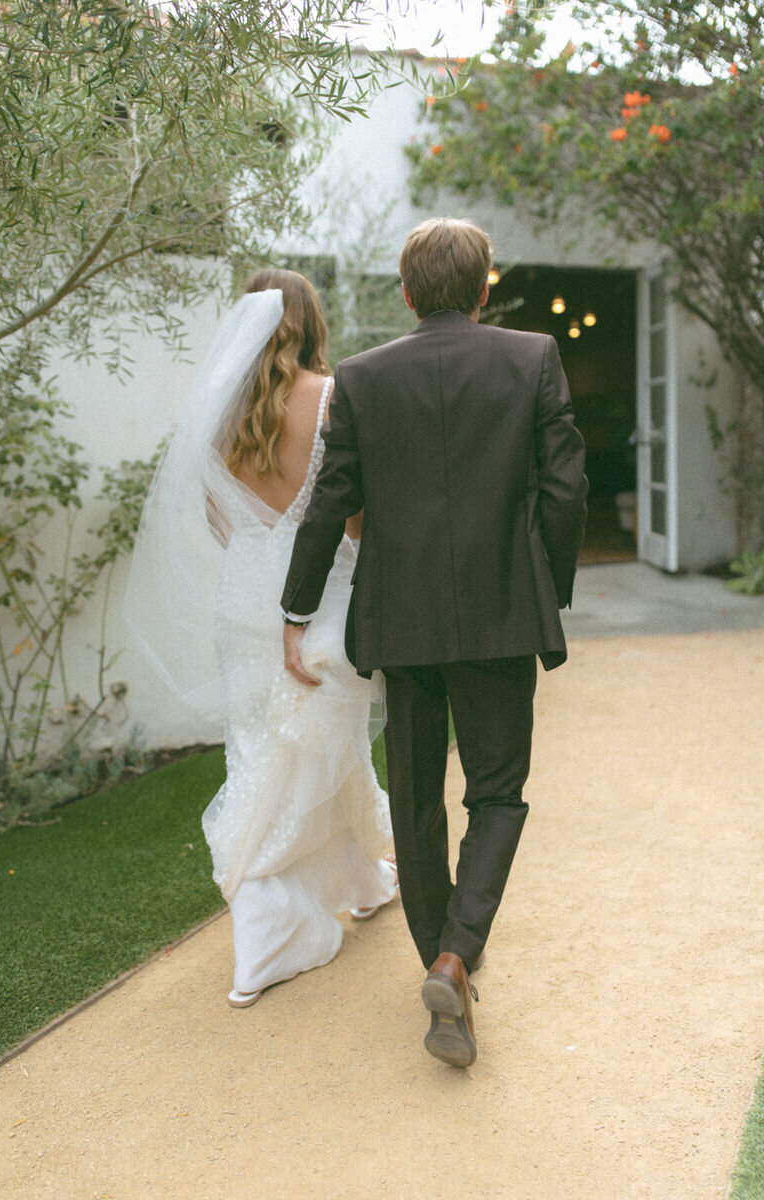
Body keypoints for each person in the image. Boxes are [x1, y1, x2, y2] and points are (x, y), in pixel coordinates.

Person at [281, 219, 588, 1066]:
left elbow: (328, 498)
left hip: (402, 621)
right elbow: (566, 490)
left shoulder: (363, 377)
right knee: (497, 791)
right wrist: (544, 588)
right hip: (499, 616)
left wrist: (296, 611)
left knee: (415, 795)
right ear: (485, 288)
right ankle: (457, 954)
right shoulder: (533, 360)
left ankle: (442, 960)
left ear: (407, 294)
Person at [125, 269, 397, 1009]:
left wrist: (258, 537)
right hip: (314, 593)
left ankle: (364, 881)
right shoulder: (333, 396)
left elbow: (219, 520)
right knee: (314, 746)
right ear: (312, 323)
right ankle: (270, 927)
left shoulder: (220, 411)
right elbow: (350, 511)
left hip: (243, 594)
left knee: (266, 745)